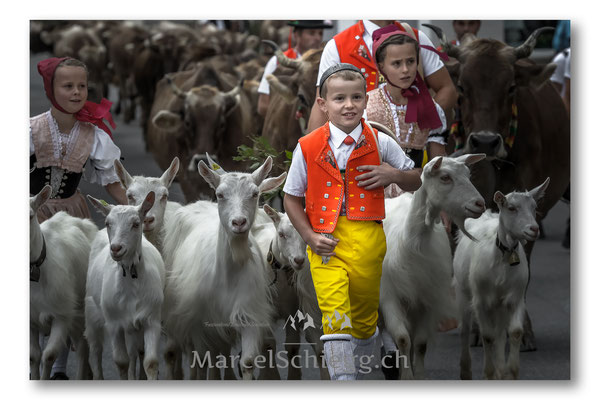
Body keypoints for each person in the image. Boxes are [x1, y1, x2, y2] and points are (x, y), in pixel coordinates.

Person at [283, 63, 421, 380]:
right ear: (323, 103)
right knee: (334, 316)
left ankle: (359, 357)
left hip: (368, 241)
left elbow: (417, 179)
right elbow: (291, 197)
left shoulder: (381, 142)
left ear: (365, 100)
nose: (348, 105)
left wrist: (394, 175)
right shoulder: (307, 146)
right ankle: (344, 382)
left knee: (362, 320)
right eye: (339, 98)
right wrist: (308, 236)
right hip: (324, 241)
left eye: (356, 97)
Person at [30, 57, 127, 379]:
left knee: (69, 283)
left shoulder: (93, 135)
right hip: (31, 214)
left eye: (81, 86)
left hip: (72, 216)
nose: (75, 92)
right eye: (67, 86)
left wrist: (134, 210)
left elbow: (112, 181)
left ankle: (58, 366)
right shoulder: (30, 130)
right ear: (51, 89)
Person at [306, 20, 457, 136]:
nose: (404, 68)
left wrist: (419, 127)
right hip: (356, 146)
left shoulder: (416, 37)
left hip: (413, 154)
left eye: (410, 62)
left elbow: (447, 89)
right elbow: (322, 105)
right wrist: (311, 157)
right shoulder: (337, 45)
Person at [366, 24, 447, 169]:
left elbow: (439, 165)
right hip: (377, 187)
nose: (405, 70)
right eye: (396, 63)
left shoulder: (430, 107)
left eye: (410, 61)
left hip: (417, 187)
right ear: (381, 66)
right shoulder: (367, 105)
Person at [257, 20, 333, 117]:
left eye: (320, 33)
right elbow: (263, 106)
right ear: (297, 35)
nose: (318, 38)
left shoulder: (328, 62)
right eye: (311, 33)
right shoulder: (276, 62)